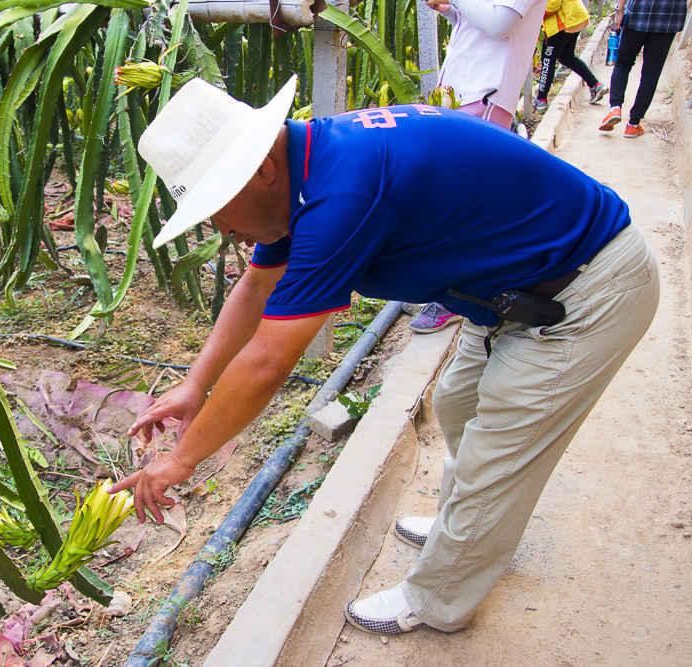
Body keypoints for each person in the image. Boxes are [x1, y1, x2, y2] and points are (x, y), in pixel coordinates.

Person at [109, 76, 659, 635]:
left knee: (499, 452)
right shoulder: (304, 170)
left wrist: (180, 461)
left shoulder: (342, 194)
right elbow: (256, 287)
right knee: (458, 405)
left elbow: (267, 363)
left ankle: (439, 598)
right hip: (516, 292)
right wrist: (194, 384)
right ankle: (467, 528)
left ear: (258, 170)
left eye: (217, 209)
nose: (222, 229)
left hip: (582, 295)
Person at [407, 0, 547, 334]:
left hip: (486, 94)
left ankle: (455, 298)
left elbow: (501, 24)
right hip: (465, 89)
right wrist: (447, 9)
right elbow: (477, 21)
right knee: (453, 195)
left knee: (461, 199)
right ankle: (459, 289)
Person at [599, 0, 687, 137]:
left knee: (623, 64)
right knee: (651, 73)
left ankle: (615, 108)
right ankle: (633, 125)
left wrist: (620, 10)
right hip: (669, 17)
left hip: (638, 13)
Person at [534, 0, 609, 111]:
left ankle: (541, 99)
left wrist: (535, 15)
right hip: (574, 18)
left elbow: (553, 4)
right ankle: (595, 85)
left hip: (563, 22)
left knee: (548, 61)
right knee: (567, 58)